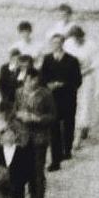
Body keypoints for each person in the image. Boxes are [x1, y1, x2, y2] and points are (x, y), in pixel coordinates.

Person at [13, 63, 54, 198]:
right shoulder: (18, 93)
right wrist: (19, 115)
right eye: (29, 80)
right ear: (24, 80)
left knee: (38, 171)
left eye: (34, 81)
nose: (31, 83)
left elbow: (52, 116)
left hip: (39, 138)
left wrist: (37, 119)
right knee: (24, 169)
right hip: (23, 137)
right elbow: (13, 112)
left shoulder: (45, 94)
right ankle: (29, 196)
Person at [38, 34, 82, 167]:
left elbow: (77, 80)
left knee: (69, 124)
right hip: (52, 98)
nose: (55, 45)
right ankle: (55, 158)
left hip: (68, 97)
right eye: (53, 43)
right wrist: (48, 85)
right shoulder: (47, 59)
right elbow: (42, 78)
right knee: (54, 127)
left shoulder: (72, 60)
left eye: (58, 42)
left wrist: (63, 84)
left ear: (63, 43)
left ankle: (67, 149)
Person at [64, 25, 97, 148]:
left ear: (82, 36)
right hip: (72, 78)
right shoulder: (68, 44)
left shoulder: (91, 45)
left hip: (87, 77)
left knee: (85, 104)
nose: (76, 40)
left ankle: (78, 136)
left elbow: (95, 62)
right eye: (74, 38)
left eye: (78, 38)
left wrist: (84, 71)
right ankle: (77, 131)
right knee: (74, 104)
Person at [0, 126, 35, 198]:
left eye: (11, 134)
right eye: (6, 135)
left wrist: (21, 182)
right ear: (2, 137)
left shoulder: (22, 151)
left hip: (18, 188)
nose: (8, 137)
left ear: (15, 136)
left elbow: (28, 170)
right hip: (1, 189)